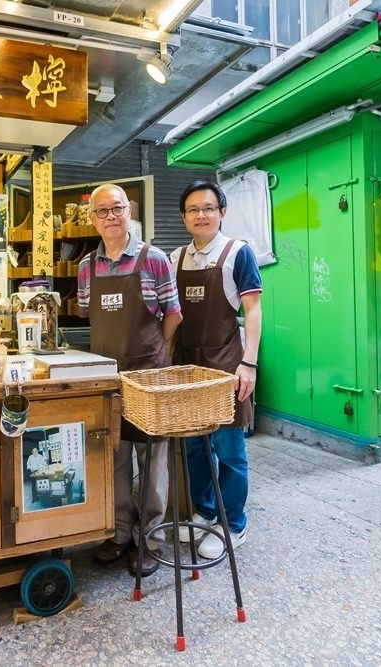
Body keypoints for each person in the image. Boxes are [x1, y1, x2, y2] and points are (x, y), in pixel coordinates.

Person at [77, 182, 183, 577]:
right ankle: (119, 532)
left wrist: (156, 354)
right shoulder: (86, 267)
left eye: (117, 208)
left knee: (152, 460)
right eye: (102, 211)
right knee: (115, 456)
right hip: (108, 376)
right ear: (93, 219)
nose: (110, 217)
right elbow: (89, 315)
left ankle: (150, 540)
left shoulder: (154, 259)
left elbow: (173, 314)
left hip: (149, 374)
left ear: (129, 212)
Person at [170, 181, 262, 559]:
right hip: (187, 366)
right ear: (184, 217)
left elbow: (253, 310)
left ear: (222, 212)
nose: (201, 215)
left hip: (226, 365)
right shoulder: (176, 257)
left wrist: (249, 363)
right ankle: (205, 511)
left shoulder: (238, 252)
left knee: (229, 449)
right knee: (194, 445)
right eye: (193, 209)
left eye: (208, 208)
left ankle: (234, 523)